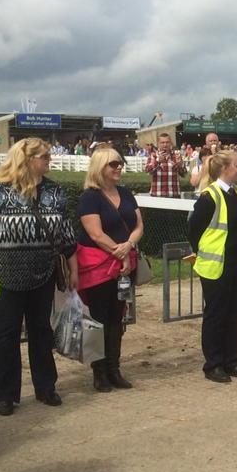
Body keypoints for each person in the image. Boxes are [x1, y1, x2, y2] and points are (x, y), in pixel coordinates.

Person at [0, 138, 77, 415]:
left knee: (41, 331)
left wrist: (74, 270)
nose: (49, 161)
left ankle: (46, 387)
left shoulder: (55, 192)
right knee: (6, 335)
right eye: (44, 156)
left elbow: (66, 234)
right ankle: (4, 394)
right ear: (27, 159)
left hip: (44, 272)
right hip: (6, 275)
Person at [76, 147, 142, 392]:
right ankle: (100, 371)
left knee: (117, 318)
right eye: (113, 164)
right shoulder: (90, 198)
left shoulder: (125, 193)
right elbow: (95, 233)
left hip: (124, 266)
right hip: (98, 267)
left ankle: (114, 368)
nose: (118, 168)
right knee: (99, 319)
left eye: (120, 164)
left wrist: (129, 245)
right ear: (100, 167)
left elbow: (138, 224)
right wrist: (120, 251)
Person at [188, 151, 237, 382]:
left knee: (233, 313)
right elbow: (194, 228)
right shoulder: (209, 196)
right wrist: (202, 252)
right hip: (216, 264)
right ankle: (213, 364)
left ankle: (230, 361)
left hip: (235, 260)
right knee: (216, 314)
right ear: (224, 168)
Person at [144, 132, 186, 198]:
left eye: (167, 142)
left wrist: (180, 165)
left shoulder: (176, 155)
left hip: (174, 195)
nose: (165, 145)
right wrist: (158, 161)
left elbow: (184, 174)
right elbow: (147, 170)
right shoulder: (153, 155)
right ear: (158, 144)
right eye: (162, 142)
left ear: (170, 143)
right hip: (157, 195)